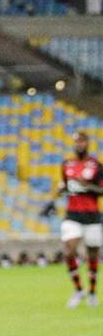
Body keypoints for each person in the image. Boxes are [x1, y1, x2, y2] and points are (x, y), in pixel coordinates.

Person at [57, 131, 103, 308]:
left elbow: (101, 190)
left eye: (82, 141)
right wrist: (61, 189)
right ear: (73, 144)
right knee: (69, 251)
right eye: (77, 142)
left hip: (92, 215)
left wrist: (87, 186)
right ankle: (78, 290)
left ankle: (92, 292)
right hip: (72, 215)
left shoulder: (96, 165)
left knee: (93, 254)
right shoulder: (66, 164)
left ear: (87, 144)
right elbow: (65, 186)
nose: (79, 145)